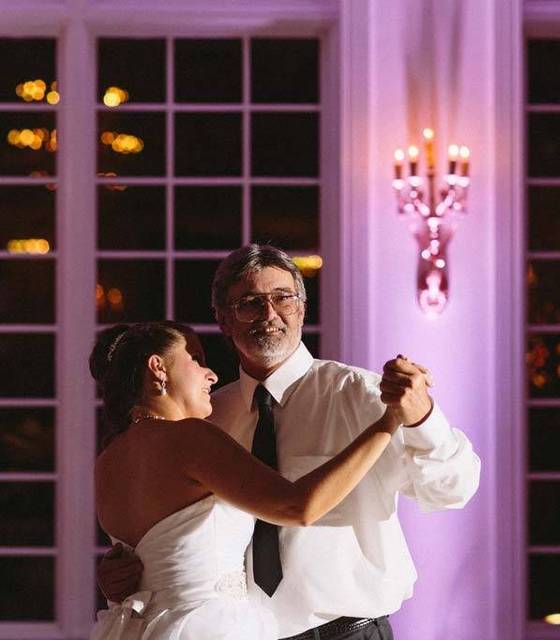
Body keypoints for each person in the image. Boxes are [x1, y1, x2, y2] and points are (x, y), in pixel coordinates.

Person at [99, 244, 481, 640]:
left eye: (283, 298)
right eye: (249, 303)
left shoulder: (362, 393)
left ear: (301, 308)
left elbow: (453, 490)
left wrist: (421, 417)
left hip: (348, 632)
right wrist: (131, 571)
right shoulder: (210, 416)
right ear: (224, 320)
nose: (269, 314)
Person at [89, 321, 403, 640]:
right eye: (195, 359)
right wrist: (389, 422)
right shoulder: (190, 437)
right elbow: (298, 507)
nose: (211, 374)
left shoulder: (107, 461)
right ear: (158, 368)